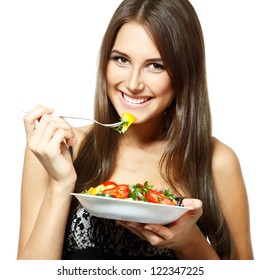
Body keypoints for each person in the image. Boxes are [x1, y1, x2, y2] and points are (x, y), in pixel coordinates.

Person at [17, 0, 254, 260]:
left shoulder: (217, 161)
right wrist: (61, 184)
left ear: (185, 74)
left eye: (156, 65)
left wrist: (190, 242)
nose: (132, 84)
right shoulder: (57, 150)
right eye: (121, 59)